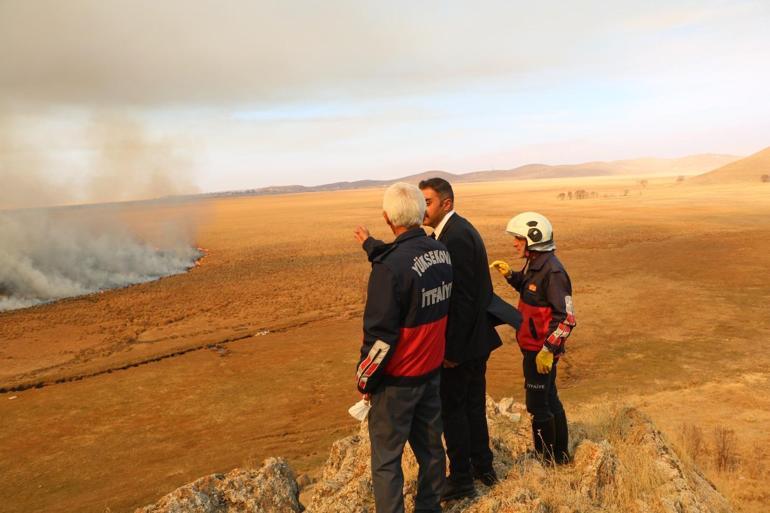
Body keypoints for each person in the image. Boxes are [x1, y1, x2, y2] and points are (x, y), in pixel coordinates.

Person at [354, 182, 453, 513]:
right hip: (431, 373)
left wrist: (365, 382)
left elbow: (380, 338)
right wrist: (370, 245)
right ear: (422, 214)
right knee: (431, 451)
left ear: (386, 218)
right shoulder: (440, 252)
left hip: (397, 382)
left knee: (386, 461)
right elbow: (406, 262)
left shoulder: (389, 269)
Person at [489, 212, 576, 464]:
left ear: (534, 238)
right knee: (549, 399)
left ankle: (545, 459)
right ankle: (559, 456)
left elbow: (567, 318)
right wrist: (511, 276)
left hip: (540, 352)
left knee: (538, 406)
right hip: (534, 348)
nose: (515, 243)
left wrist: (548, 349)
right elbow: (531, 292)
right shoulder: (537, 263)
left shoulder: (554, 272)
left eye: (519, 238)